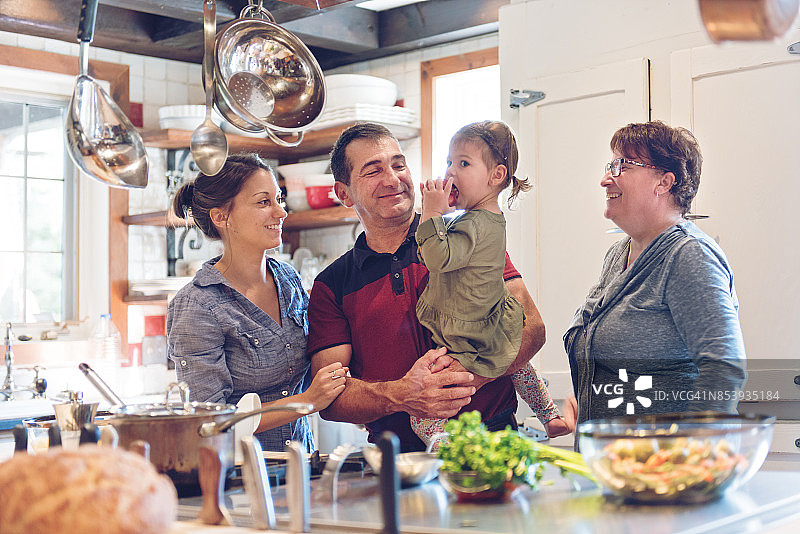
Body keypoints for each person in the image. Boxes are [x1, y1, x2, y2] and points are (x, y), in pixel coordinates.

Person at [307, 122, 550, 452]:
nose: (393, 179)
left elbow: (531, 328)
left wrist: (464, 379)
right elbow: (332, 398)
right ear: (343, 193)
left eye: (398, 164)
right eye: (373, 171)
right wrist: (405, 394)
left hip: (495, 443)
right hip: (397, 463)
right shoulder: (331, 286)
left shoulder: (466, 236)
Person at [563, 121, 747, 429]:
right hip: (614, 468)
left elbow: (724, 369)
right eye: (610, 165)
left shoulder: (689, 255)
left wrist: (684, 456)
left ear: (663, 182)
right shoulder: (618, 254)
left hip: (663, 470)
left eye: (622, 166)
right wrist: (592, 393)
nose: (606, 179)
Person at [166, 153, 347, 453]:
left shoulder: (287, 279)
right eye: (264, 202)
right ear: (221, 217)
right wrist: (307, 400)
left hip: (301, 463)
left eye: (279, 199)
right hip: (239, 475)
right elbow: (210, 423)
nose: (281, 212)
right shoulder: (198, 306)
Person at [410, 121, 569, 446]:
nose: (451, 172)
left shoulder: (476, 224)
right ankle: (550, 416)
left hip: (469, 329)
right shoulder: (485, 220)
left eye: (464, 163)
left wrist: (431, 212)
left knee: (421, 409)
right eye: (449, 162)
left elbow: (435, 258)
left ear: (496, 176)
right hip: (492, 321)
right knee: (520, 366)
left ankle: (440, 442)